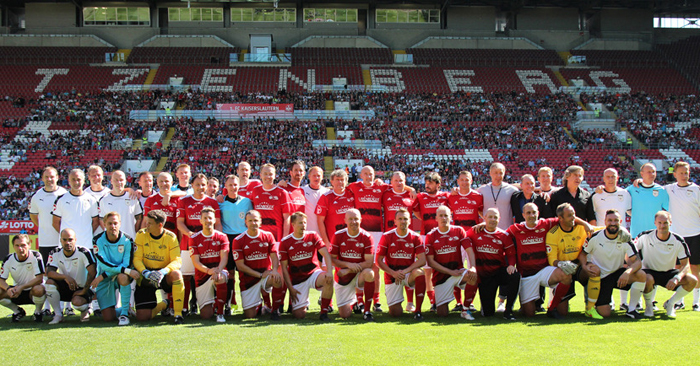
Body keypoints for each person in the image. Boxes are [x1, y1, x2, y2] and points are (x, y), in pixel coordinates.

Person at [578, 209, 647, 319]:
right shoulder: (595, 237)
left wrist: (628, 272)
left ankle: (632, 309)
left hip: (616, 275)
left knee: (641, 274)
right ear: (605, 221)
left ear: (620, 221)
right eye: (610, 220)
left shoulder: (625, 238)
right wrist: (585, 266)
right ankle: (593, 303)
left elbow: (637, 261)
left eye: (616, 220)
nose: (613, 223)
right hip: (599, 277)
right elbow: (582, 254)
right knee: (605, 313)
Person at [506, 203, 570, 317]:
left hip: (544, 271)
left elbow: (566, 217)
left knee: (565, 274)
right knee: (529, 314)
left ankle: (552, 306)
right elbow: (500, 235)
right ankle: (526, 303)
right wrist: (482, 225)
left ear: (538, 213)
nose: (531, 215)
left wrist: (585, 224)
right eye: (528, 213)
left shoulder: (545, 223)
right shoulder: (516, 228)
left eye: (534, 212)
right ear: (523, 215)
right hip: (526, 275)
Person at [636, 211, 698, 318]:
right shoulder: (644, 236)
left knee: (692, 280)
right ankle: (649, 305)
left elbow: (685, 264)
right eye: (660, 222)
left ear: (671, 223)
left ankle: (671, 303)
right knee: (647, 278)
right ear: (655, 223)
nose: (662, 226)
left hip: (668, 273)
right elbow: (632, 252)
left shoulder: (678, 240)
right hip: (649, 272)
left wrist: (677, 278)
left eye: (665, 223)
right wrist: (636, 267)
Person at [177, 173, 222, 315]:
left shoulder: (212, 202)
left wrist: (217, 240)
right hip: (188, 244)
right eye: (197, 184)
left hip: (209, 246)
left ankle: (208, 305)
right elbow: (180, 223)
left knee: (207, 274)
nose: (200, 187)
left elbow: (218, 224)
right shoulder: (184, 201)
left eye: (203, 184)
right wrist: (192, 236)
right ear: (192, 186)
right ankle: (184, 307)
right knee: (186, 276)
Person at [545, 203, 601, 319]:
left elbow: (602, 230)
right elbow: (552, 260)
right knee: (563, 312)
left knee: (594, 270)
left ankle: (590, 308)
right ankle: (555, 301)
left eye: (574, 214)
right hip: (565, 269)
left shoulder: (582, 228)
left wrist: (621, 230)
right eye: (570, 215)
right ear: (560, 218)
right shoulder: (552, 234)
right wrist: (560, 264)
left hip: (580, 265)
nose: (573, 218)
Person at [464, 208, 520, 320]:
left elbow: (511, 254)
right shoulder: (475, 231)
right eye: (490, 217)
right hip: (484, 276)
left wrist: (511, 265)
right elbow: (463, 238)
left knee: (514, 275)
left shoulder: (504, 235)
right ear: (484, 218)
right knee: (488, 313)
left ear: (499, 219)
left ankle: (508, 311)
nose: (492, 219)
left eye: (495, 217)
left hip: (498, 272)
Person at [279, 212, 334, 321]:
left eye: (305, 222)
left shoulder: (312, 235)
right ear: (293, 225)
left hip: (313, 274)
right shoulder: (285, 242)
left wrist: (328, 272)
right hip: (298, 279)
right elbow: (284, 268)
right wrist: (290, 288)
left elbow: (326, 254)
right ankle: (303, 302)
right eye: (300, 223)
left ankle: (324, 312)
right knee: (299, 315)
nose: (303, 225)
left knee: (328, 279)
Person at [425, 205, 477, 319]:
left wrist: (472, 266)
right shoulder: (431, 236)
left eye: (446, 216)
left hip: (458, 272)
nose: (444, 218)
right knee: (442, 313)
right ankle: (443, 300)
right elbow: (431, 262)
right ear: (436, 218)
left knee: (473, 276)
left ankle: (465, 309)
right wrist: (450, 272)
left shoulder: (458, 231)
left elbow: (470, 250)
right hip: (441, 277)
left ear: (451, 217)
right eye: (441, 216)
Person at [133, 210, 185, 324]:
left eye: (150, 223)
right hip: (146, 274)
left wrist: (163, 271)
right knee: (142, 317)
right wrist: (145, 272)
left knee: (177, 274)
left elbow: (177, 260)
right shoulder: (141, 234)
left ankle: (178, 314)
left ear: (160, 225)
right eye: (147, 222)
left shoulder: (171, 237)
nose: (146, 225)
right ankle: (163, 305)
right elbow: (136, 259)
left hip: (164, 275)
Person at [375, 208, 427, 320]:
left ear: (410, 221)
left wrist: (404, 272)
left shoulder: (415, 237)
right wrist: (393, 273)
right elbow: (378, 261)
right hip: (392, 275)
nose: (403, 221)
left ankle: (418, 311)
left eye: (405, 219)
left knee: (419, 273)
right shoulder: (387, 236)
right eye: (400, 219)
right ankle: (394, 300)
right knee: (395, 313)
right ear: (395, 221)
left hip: (408, 274)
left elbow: (422, 260)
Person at [29, 166, 67, 315]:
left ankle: (66, 307)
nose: (50, 179)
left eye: (52, 176)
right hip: (45, 241)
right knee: (46, 274)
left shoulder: (64, 194)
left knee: (63, 272)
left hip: (62, 241)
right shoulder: (37, 196)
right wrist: (44, 227)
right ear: (42, 178)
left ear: (57, 177)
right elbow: (33, 216)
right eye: (47, 177)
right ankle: (46, 307)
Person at [232, 210, 284, 319]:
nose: (253, 223)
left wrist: (274, 270)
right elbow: (240, 266)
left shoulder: (268, 236)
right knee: (250, 316)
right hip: (249, 280)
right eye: (250, 221)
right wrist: (259, 275)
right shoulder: (238, 240)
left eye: (256, 220)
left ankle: (275, 310)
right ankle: (261, 304)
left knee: (277, 277)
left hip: (265, 275)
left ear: (260, 222)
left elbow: (274, 257)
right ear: (245, 222)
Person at [663, 162, 700, 311]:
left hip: (695, 233)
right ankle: (679, 300)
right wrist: (638, 181)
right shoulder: (669, 189)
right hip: (677, 236)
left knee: (695, 268)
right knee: (678, 268)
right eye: (681, 173)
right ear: (675, 174)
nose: (684, 176)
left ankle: (696, 301)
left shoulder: (696, 190)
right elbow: (650, 186)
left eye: (687, 172)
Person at [91, 212, 139, 325]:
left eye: (115, 223)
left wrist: (102, 276)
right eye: (110, 223)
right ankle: (126, 309)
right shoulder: (97, 240)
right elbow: (104, 265)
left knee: (123, 276)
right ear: (104, 224)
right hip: (105, 278)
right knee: (108, 317)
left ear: (120, 224)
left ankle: (124, 314)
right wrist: (104, 276)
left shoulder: (128, 240)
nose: (113, 226)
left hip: (111, 276)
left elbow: (126, 264)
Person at [446, 170, 483, 312]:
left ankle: (470, 302)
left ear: (471, 181)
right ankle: (458, 302)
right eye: (462, 180)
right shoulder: (451, 197)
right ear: (458, 182)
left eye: (467, 179)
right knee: (456, 268)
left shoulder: (478, 196)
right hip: (457, 238)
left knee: (473, 268)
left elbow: (482, 213)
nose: (464, 182)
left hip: (472, 238)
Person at [330, 209, 376, 321]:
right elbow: (332, 259)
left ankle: (367, 311)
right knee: (344, 315)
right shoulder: (338, 235)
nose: (353, 222)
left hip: (358, 274)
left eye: (356, 219)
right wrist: (348, 264)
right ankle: (354, 301)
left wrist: (348, 269)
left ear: (361, 220)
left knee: (370, 273)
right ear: (345, 220)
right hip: (343, 277)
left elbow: (369, 263)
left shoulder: (367, 236)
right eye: (350, 219)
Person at [45, 228, 97, 324]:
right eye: (64, 240)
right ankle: (58, 315)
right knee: (49, 283)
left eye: (70, 239)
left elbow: (92, 272)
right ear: (60, 240)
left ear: (75, 240)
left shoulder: (83, 252)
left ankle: (86, 309)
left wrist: (84, 290)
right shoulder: (55, 252)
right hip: (66, 287)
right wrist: (65, 277)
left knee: (77, 303)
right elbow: (49, 273)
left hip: (81, 287)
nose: (67, 242)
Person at [219, 174, 253, 314]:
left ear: (239, 186)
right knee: (230, 273)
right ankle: (229, 304)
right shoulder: (220, 202)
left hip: (243, 239)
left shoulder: (247, 202)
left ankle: (249, 303)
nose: (233, 187)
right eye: (230, 185)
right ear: (225, 186)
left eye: (235, 185)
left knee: (245, 273)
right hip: (228, 239)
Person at [190, 207, 230, 322]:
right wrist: (208, 271)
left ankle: (220, 313)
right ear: (200, 221)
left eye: (210, 218)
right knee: (206, 315)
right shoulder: (194, 238)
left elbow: (224, 258)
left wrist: (218, 270)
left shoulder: (222, 236)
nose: (208, 220)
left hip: (218, 271)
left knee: (220, 277)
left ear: (214, 220)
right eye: (205, 218)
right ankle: (214, 303)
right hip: (203, 275)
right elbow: (195, 262)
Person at [0, 235, 47, 323]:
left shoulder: (35, 256)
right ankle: (17, 311)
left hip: (33, 291)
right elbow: (1, 280)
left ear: (29, 245)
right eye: (17, 246)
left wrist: (22, 287)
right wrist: (8, 289)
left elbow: (39, 279)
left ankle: (38, 312)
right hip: (17, 291)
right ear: (13, 246)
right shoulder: (8, 259)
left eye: (23, 245)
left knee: (39, 289)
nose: (20, 248)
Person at [52, 169, 99, 249]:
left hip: (86, 245)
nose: (76, 182)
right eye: (73, 179)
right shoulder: (61, 199)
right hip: (66, 247)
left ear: (84, 180)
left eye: (79, 179)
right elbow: (55, 222)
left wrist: (85, 233)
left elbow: (95, 222)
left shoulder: (91, 200)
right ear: (69, 181)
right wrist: (66, 236)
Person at [250, 163, 292, 241]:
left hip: (276, 237)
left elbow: (287, 217)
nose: (268, 177)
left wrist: (285, 238)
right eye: (265, 174)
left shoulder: (282, 193)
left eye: (270, 174)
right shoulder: (255, 191)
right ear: (260, 175)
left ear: (275, 176)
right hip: (258, 235)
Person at [316, 169, 355, 249]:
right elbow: (320, 221)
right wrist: (326, 241)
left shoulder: (352, 195)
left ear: (346, 181)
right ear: (332, 181)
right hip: (333, 242)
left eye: (342, 180)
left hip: (352, 240)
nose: (340, 182)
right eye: (337, 180)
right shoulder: (325, 197)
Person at [99, 170, 143, 239]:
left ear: (125, 181)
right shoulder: (104, 200)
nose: (119, 182)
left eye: (121, 180)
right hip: (111, 241)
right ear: (111, 181)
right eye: (116, 180)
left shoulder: (132, 197)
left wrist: (133, 232)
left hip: (129, 240)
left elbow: (139, 218)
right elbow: (101, 219)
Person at [477, 162, 519, 230]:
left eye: (501, 173)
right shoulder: (482, 190)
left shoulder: (512, 190)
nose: (498, 175)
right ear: (490, 173)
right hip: (488, 230)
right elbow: (477, 209)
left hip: (506, 231)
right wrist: (485, 218)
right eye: (495, 173)